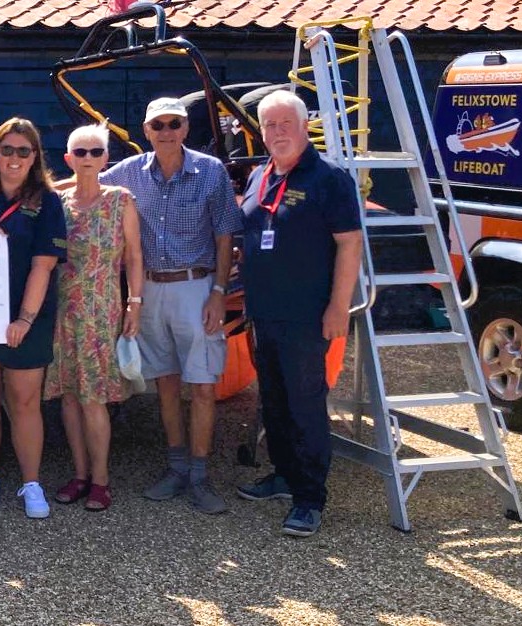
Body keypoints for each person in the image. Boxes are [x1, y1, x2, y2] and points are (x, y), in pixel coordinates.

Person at [98, 97, 243, 515]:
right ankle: (176, 468)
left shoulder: (210, 171)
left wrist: (219, 291)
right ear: (146, 131)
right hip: (150, 290)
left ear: (185, 128)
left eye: (174, 123)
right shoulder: (130, 172)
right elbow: (85, 180)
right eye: (157, 124)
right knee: (165, 383)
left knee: (202, 385)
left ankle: (199, 475)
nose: (166, 131)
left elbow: (224, 236)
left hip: (195, 288)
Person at [235, 90, 362, 537]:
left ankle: (310, 498)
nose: (277, 132)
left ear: (304, 125)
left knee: (306, 405)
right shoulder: (259, 176)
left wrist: (338, 307)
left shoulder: (329, 179)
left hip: (308, 316)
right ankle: (283, 476)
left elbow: (349, 244)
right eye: (269, 125)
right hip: (264, 313)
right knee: (273, 401)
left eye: (285, 123)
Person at [0, 118, 68, 519]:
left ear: (35, 156)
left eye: (24, 151)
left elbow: (44, 265)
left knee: (23, 402)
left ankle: (31, 483)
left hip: (27, 316)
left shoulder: (47, 201)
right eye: (7, 149)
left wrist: (23, 319)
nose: (15, 158)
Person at [43, 123, 143, 512]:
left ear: (106, 158)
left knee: (95, 398)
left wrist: (135, 301)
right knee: (69, 396)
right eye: (80, 152)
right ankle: (79, 473)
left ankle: (101, 480)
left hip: (100, 311)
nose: (88, 158)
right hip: (63, 310)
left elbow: (134, 256)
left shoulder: (121, 201)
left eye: (95, 152)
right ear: (69, 159)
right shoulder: (60, 204)